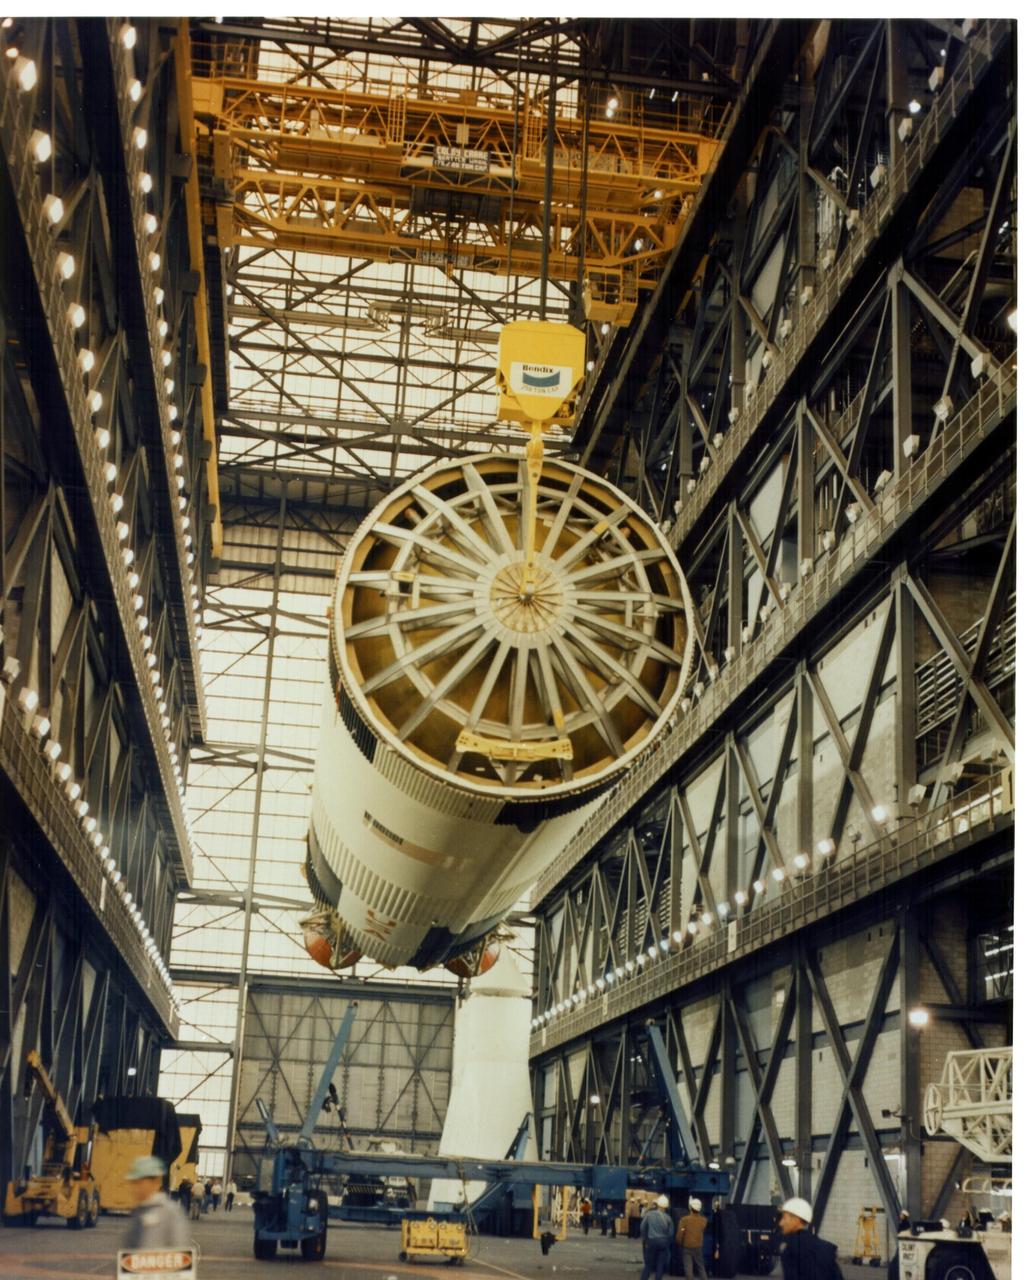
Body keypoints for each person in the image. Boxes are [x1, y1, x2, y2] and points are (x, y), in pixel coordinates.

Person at [123, 1156, 189, 1250]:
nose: (135, 1188)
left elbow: (180, 1249)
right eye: (133, 1182)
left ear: (155, 1182)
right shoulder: (137, 1211)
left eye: (139, 1182)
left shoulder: (170, 1212)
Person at [778, 1197, 844, 1280]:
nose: (781, 1223)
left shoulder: (791, 1249)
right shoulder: (825, 1248)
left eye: (784, 1218)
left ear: (796, 1220)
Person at [639, 1193, 674, 1280]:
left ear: (657, 1204)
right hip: (663, 1243)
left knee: (648, 1265)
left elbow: (642, 1227)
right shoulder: (668, 1218)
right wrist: (667, 1243)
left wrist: (645, 1239)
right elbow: (671, 1234)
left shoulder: (649, 1215)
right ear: (666, 1207)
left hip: (651, 1242)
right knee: (660, 1266)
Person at [676, 1197, 709, 1279]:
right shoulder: (704, 1221)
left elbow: (680, 1233)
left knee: (688, 1268)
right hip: (698, 1247)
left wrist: (678, 1242)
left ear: (690, 1208)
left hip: (687, 1247)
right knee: (701, 1267)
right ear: (700, 1209)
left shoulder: (684, 1220)